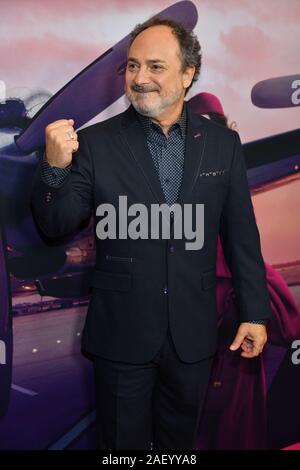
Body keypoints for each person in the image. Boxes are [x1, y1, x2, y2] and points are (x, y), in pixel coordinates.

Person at [30, 18, 272, 450]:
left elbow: (241, 235)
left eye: (155, 66)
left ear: (188, 74)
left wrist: (254, 312)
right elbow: (55, 227)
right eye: (132, 66)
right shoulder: (95, 144)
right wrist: (53, 169)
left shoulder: (222, 145)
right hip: (121, 335)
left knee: (180, 449)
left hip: (194, 335)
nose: (140, 79)